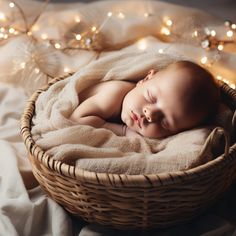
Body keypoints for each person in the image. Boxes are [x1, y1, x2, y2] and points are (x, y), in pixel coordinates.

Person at [70, 60, 220, 139]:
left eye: (165, 122)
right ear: (145, 79)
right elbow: (76, 119)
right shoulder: (113, 95)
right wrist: (123, 131)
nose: (150, 115)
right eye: (151, 97)